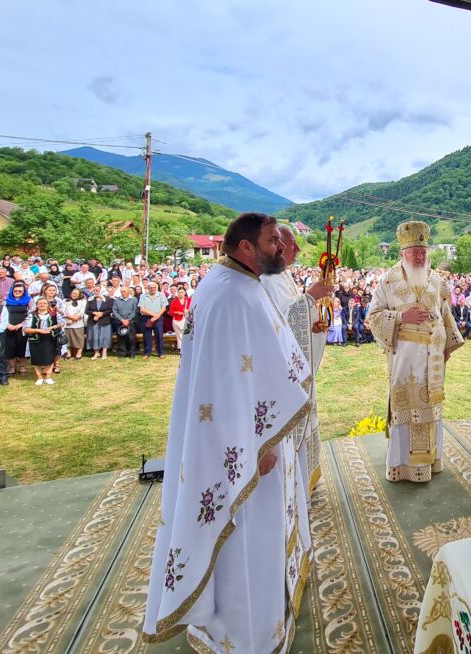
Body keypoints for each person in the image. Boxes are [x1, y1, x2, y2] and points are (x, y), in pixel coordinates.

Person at [143, 212, 313, 652]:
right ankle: (249, 636)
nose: (282, 247)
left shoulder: (230, 283)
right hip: (244, 446)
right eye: (274, 240)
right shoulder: (235, 294)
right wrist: (258, 444)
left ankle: (227, 627)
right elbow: (226, 385)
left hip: (240, 433)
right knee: (247, 543)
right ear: (245, 247)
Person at [368, 220, 465, 483]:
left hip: (433, 359)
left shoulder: (438, 281)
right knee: (407, 407)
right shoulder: (387, 281)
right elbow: (373, 316)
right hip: (405, 359)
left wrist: (448, 345)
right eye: (415, 253)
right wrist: (401, 317)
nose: (421, 257)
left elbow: (445, 314)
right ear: (403, 254)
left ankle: (432, 462)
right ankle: (403, 467)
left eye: (424, 252)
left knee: (431, 408)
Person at [261, 223, 332, 493]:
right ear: (279, 245)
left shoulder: (284, 276)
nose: (297, 250)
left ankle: (305, 478)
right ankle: (294, 484)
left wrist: (313, 321)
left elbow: (295, 314)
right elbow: (278, 323)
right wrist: (309, 298)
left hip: (299, 367)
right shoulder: (267, 280)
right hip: (283, 371)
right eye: (293, 245)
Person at [25, 297, 60, 385]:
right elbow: (25, 329)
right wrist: (38, 330)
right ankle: (39, 377)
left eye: (44, 303)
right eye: (40, 303)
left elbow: (62, 323)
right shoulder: (31, 315)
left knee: (49, 357)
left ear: (47, 305)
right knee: (37, 358)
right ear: (36, 305)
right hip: (36, 339)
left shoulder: (53, 314)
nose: (42, 305)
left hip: (50, 338)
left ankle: (48, 377)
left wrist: (52, 327)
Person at [4, 281, 30, 376]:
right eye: (16, 290)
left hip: (22, 327)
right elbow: (2, 314)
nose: (18, 292)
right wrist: (7, 324)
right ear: (12, 291)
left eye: (20, 291)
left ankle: (23, 367)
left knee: (22, 347)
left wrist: (21, 324)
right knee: (10, 347)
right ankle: (12, 367)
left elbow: (31, 314)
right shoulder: (6, 300)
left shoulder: (29, 300)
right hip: (9, 327)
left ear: (24, 292)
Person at [139, 282, 168, 358]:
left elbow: (164, 307)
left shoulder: (161, 295)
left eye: (154, 287)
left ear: (157, 287)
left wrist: (157, 316)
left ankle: (161, 353)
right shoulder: (143, 296)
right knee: (146, 336)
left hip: (158, 318)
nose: (152, 289)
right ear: (148, 288)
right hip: (146, 318)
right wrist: (153, 315)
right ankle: (147, 352)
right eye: (150, 287)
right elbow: (142, 309)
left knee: (159, 335)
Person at [85, 288, 113, 359]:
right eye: (95, 290)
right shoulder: (90, 299)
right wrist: (94, 313)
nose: (96, 292)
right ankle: (96, 353)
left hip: (105, 320)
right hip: (93, 320)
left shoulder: (108, 299)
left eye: (97, 290)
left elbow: (110, 309)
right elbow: (87, 310)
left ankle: (104, 352)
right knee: (95, 336)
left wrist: (102, 314)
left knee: (105, 337)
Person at [112, 285, 138, 358]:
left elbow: (135, 310)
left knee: (131, 338)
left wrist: (128, 319)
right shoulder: (117, 300)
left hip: (131, 322)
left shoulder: (134, 299)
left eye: (124, 291)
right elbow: (114, 311)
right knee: (121, 338)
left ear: (128, 292)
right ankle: (122, 353)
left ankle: (132, 353)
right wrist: (122, 320)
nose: (122, 293)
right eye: (121, 292)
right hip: (120, 322)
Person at [63, 288, 87, 360]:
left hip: (78, 323)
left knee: (79, 339)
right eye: (73, 293)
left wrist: (74, 318)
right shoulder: (65, 301)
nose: (74, 295)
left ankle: (79, 353)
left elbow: (81, 312)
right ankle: (68, 353)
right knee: (67, 339)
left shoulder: (82, 302)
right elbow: (63, 311)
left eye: (76, 294)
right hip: (67, 323)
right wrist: (69, 318)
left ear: (79, 295)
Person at [169, 286, 191, 350]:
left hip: (186, 319)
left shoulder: (189, 300)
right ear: (177, 293)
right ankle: (180, 348)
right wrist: (177, 312)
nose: (181, 293)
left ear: (185, 292)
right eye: (179, 292)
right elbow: (170, 312)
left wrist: (188, 311)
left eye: (182, 292)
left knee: (186, 334)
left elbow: (193, 310)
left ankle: (187, 347)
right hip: (176, 320)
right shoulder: (174, 301)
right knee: (178, 335)